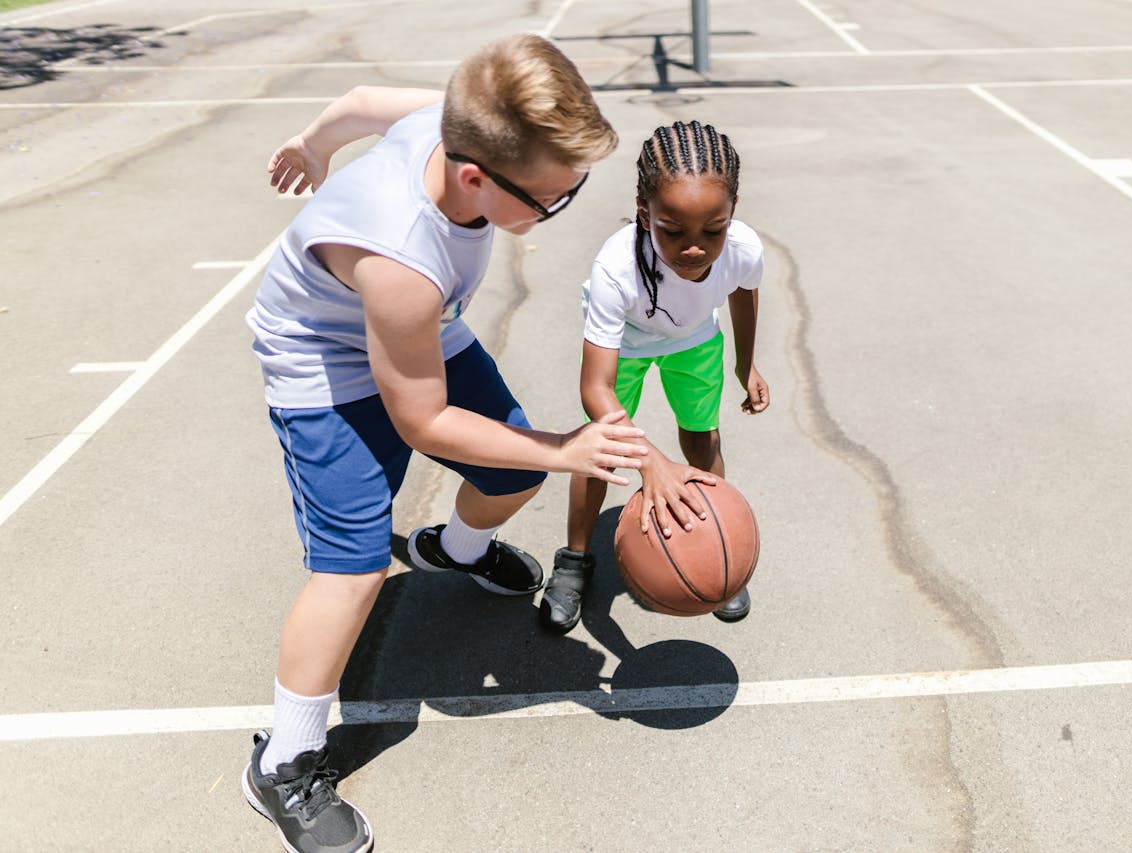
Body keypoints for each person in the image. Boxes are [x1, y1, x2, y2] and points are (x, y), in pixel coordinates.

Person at [240, 35, 647, 853]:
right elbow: (420, 420)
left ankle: (453, 550)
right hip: (324, 360)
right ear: (475, 178)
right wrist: (566, 447)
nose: (559, 208)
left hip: (424, 332)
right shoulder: (401, 257)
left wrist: (312, 146)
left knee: (508, 468)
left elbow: (359, 99)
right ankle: (283, 761)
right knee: (350, 569)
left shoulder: (456, 119)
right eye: (551, 199)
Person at [539, 119, 769, 635]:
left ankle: (712, 540)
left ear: (732, 215)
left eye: (714, 230)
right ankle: (575, 560)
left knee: (701, 435)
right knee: (600, 450)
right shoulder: (615, 269)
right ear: (645, 214)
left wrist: (744, 362)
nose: (695, 249)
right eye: (673, 231)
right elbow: (596, 388)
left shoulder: (744, 248)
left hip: (694, 339)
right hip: (628, 343)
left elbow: (743, 292)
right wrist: (649, 461)